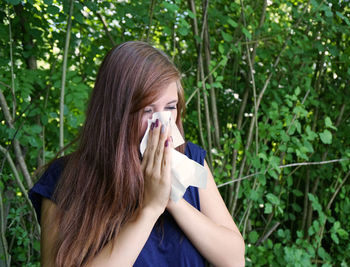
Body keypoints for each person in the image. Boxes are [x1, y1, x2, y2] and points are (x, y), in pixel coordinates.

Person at [29, 41, 245, 267]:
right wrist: (149, 209)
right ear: (115, 114)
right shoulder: (63, 179)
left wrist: (171, 197)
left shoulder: (188, 159)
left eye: (170, 107)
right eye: (148, 110)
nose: (162, 123)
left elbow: (234, 259)